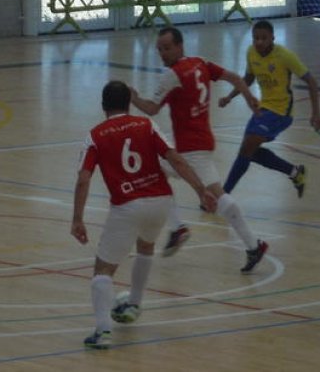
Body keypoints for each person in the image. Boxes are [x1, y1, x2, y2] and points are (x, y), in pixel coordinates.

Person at [72, 81, 218, 350]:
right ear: (129, 103)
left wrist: (77, 218)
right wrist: (201, 190)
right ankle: (134, 304)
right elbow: (176, 159)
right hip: (161, 202)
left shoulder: (95, 135)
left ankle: (103, 331)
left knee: (103, 270)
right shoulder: (147, 125)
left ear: (103, 106)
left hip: (127, 206)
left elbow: (84, 179)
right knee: (146, 245)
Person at [128, 26, 269, 273]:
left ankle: (183, 229)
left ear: (180, 46)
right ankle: (248, 244)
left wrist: (133, 97)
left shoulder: (172, 75)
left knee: (214, 195)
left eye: (167, 48)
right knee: (154, 171)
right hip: (199, 142)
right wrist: (249, 98)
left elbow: (151, 109)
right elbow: (235, 78)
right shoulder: (200, 62)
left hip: (190, 149)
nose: (162, 53)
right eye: (159, 49)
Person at [218, 19, 320, 196]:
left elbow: (311, 82)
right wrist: (229, 96)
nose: (259, 42)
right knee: (249, 152)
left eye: (263, 38)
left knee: (248, 146)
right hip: (263, 109)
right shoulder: (251, 52)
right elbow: (248, 79)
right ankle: (295, 172)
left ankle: (223, 196)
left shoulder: (284, 56)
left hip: (282, 112)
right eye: (256, 38)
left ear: (272, 38)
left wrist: (316, 113)